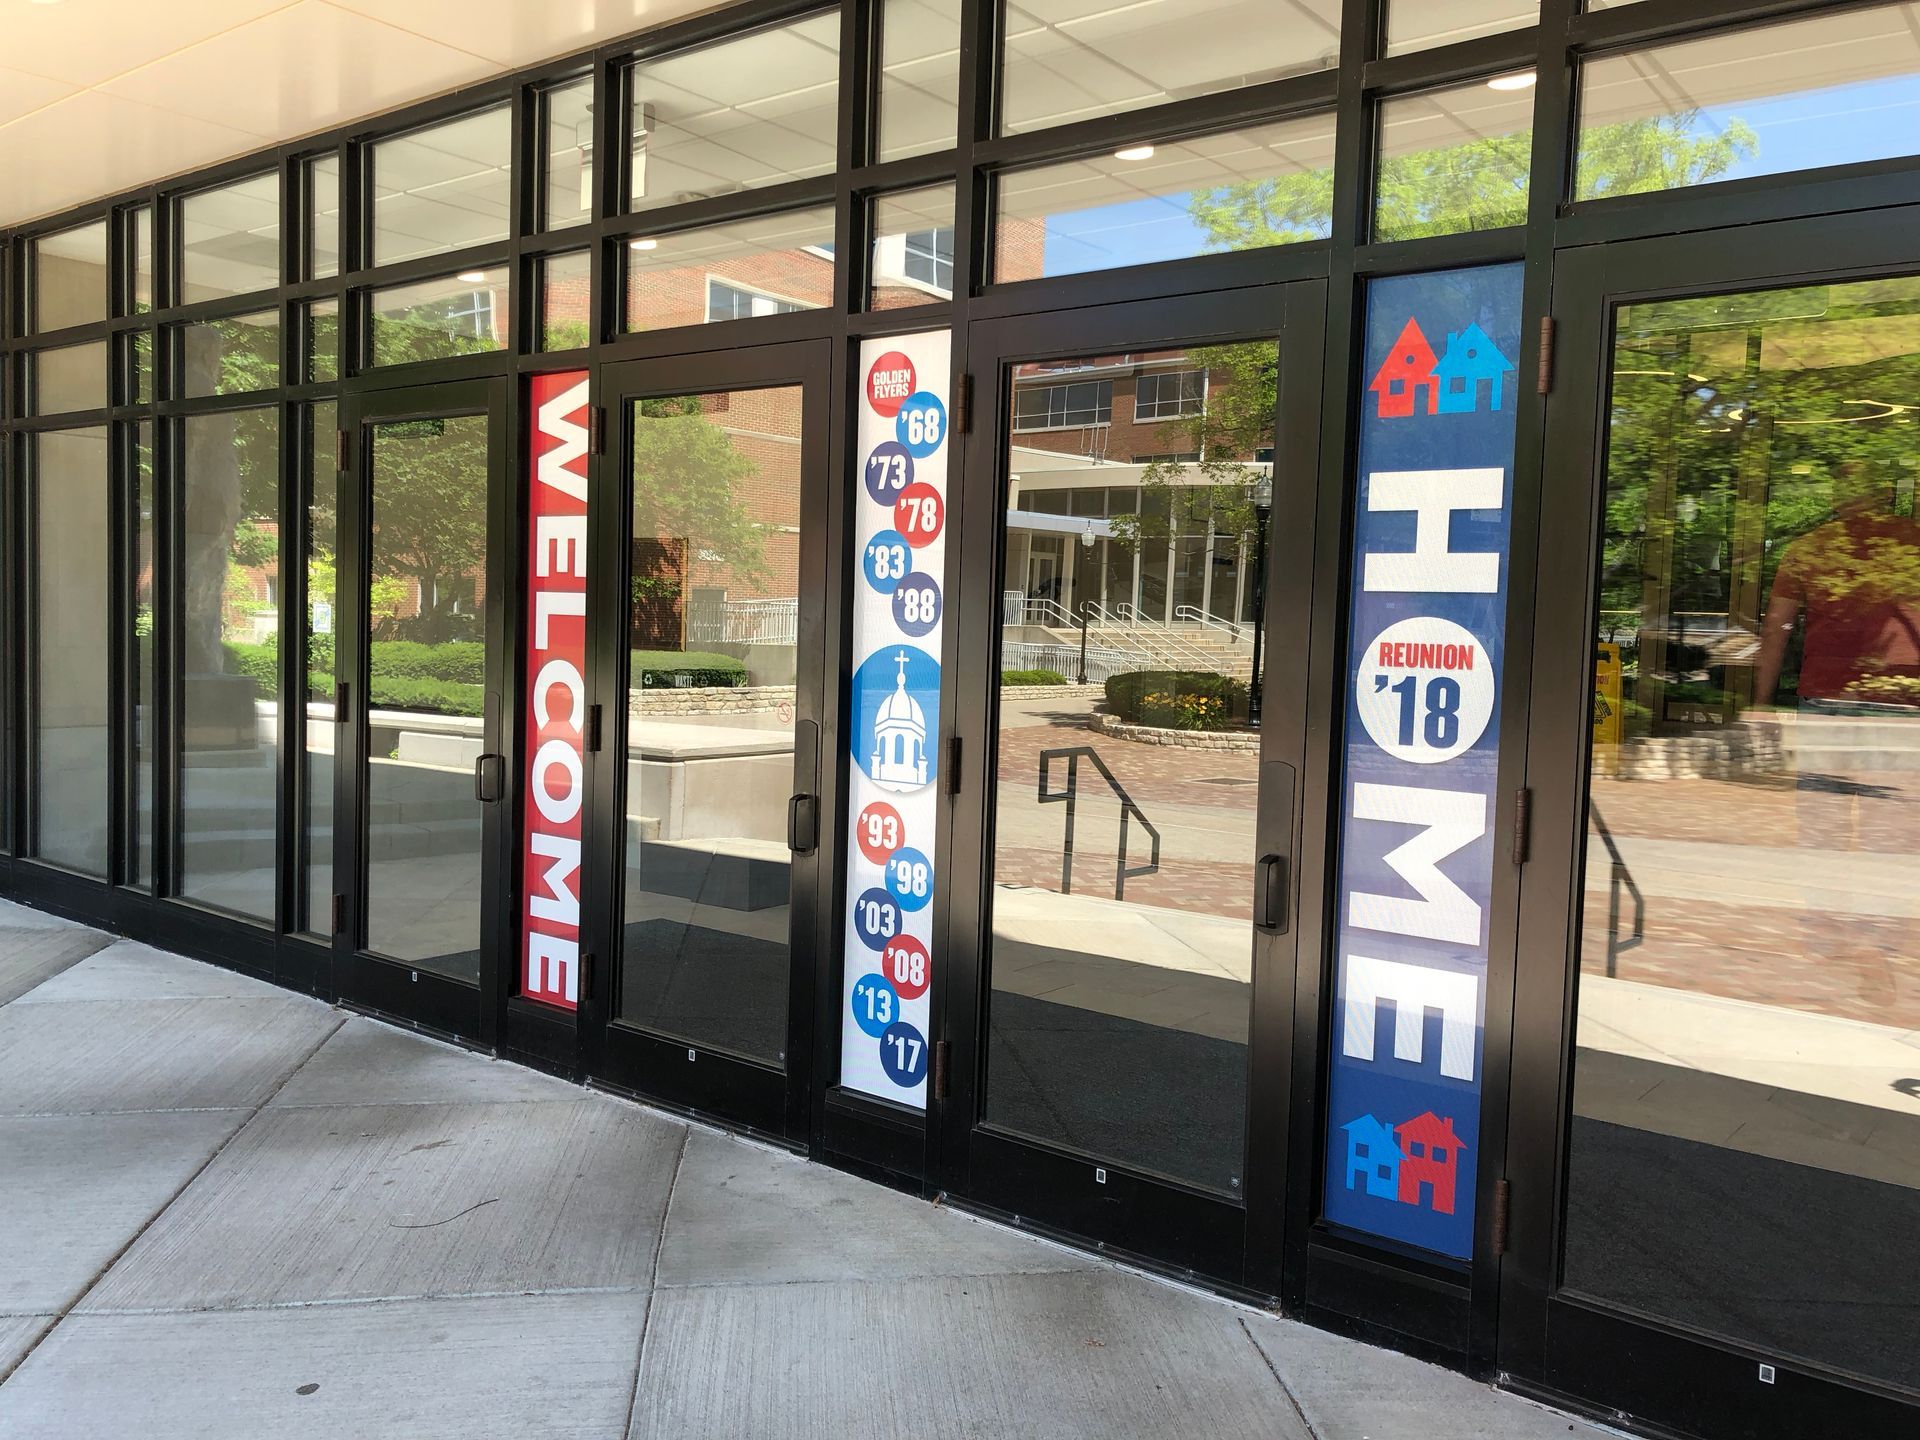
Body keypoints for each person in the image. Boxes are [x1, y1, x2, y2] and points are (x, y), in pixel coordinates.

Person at [1756, 461, 1920, 707]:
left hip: (1829, 692)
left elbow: (1776, 630)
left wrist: (1761, 703)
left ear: (1834, 498)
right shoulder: (1914, 542)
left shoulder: (1809, 548)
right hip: (1904, 690)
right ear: (1887, 494)